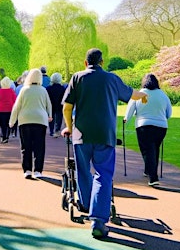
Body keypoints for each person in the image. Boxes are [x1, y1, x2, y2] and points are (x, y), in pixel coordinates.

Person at [61, 48, 147, 239]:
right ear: (102, 62)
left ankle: (85, 205)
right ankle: (98, 220)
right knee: (103, 175)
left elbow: (67, 107)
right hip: (104, 135)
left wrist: (69, 126)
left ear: (85, 63)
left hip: (81, 134)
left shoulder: (77, 78)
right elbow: (131, 93)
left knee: (83, 171)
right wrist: (142, 95)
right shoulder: (111, 78)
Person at [124, 73, 172, 186]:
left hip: (143, 126)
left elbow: (130, 109)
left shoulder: (139, 94)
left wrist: (126, 119)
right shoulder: (163, 95)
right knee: (154, 149)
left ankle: (153, 178)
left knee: (147, 151)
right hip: (161, 127)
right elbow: (169, 113)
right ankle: (148, 171)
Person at [9, 68, 52, 179]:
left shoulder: (24, 90)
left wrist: (12, 121)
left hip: (25, 120)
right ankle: (38, 170)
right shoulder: (43, 90)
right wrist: (50, 115)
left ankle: (27, 169)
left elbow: (17, 106)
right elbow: (49, 104)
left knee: (26, 146)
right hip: (40, 120)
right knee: (39, 146)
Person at [0, 77, 17, 143]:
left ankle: (4, 136)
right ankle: (6, 136)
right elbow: (15, 100)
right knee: (8, 124)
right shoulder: (11, 91)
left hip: (0, 110)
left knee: (2, 125)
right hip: (9, 110)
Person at [46, 72, 66, 138]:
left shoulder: (48, 88)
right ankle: (57, 129)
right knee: (59, 117)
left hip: (51, 104)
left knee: (51, 117)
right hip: (60, 104)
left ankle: (51, 130)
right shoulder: (62, 88)